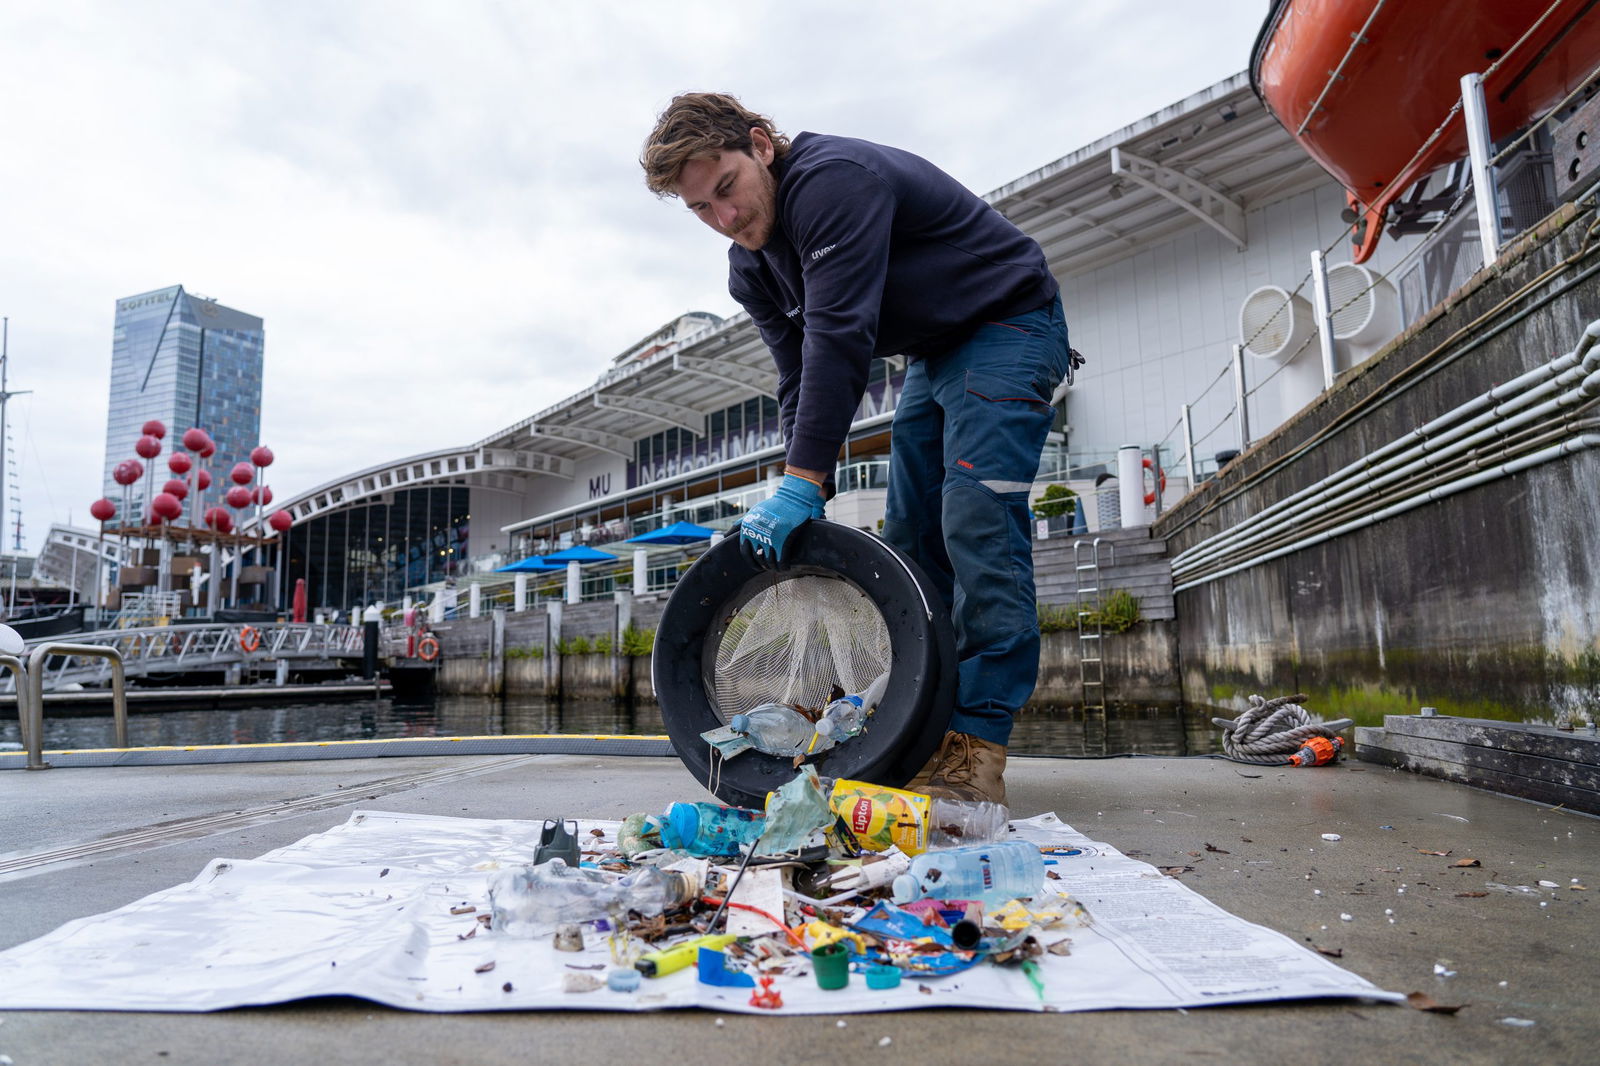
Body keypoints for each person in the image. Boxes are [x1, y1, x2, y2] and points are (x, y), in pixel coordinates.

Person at [642, 93, 1076, 805]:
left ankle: (974, 749)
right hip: (934, 357)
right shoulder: (749, 268)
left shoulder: (832, 182)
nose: (725, 217)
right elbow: (798, 374)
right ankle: (923, 732)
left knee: (974, 517)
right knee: (910, 541)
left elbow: (840, 337)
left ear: (761, 145)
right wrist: (803, 482)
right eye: (701, 209)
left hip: (1009, 322)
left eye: (727, 188)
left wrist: (804, 478)